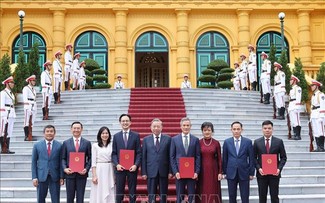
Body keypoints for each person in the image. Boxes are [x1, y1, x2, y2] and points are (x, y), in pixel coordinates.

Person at [254, 120, 287, 203]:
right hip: (262, 174)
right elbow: (253, 158)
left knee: (274, 196)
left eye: (269, 128)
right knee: (262, 197)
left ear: (272, 129)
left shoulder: (279, 141)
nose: (267, 130)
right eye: (265, 128)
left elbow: (283, 157)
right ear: (262, 129)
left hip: (274, 174)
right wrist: (258, 168)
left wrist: (279, 169)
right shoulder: (257, 142)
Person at [111, 114, 141, 203]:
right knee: (119, 191)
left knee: (132, 190)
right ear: (120, 122)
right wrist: (117, 164)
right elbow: (114, 153)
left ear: (130, 122)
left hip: (132, 168)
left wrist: (136, 165)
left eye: (127, 121)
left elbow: (139, 152)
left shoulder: (136, 135)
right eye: (123, 121)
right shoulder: (116, 136)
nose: (125, 123)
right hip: (120, 168)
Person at [170, 117, 200, 203]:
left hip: (192, 173)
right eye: (184, 125)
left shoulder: (195, 140)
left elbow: (198, 156)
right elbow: (172, 157)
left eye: (188, 125)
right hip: (179, 173)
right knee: (179, 196)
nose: (186, 127)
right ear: (181, 126)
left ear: (190, 126)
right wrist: (176, 172)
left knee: (191, 196)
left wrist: (196, 172)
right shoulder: (174, 139)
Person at [222, 121, 254, 203]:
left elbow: (251, 158)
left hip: (244, 172)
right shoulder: (227, 142)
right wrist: (224, 172)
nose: (236, 131)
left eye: (238, 129)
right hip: (231, 172)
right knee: (232, 196)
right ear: (231, 130)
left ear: (242, 130)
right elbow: (225, 158)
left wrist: (251, 173)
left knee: (245, 196)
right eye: (234, 129)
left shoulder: (248, 142)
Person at [141, 118, 172, 203]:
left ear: (161, 127)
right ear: (151, 127)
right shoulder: (146, 140)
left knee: (163, 194)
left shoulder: (168, 139)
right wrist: (144, 172)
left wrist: (170, 171)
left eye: (158, 126)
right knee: (151, 195)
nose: (156, 128)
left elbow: (170, 156)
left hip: (164, 171)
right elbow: (143, 157)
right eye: (154, 126)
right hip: (151, 170)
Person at [31, 125, 64, 203]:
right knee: (40, 199)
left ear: (54, 133)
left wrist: (62, 177)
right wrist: (34, 177)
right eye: (47, 131)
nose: (49, 133)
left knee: (56, 199)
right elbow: (34, 162)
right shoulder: (37, 145)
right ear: (44, 133)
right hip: (41, 176)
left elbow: (61, 162)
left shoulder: (60, 145)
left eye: (51, 131)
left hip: (55, 176)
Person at [61, 121, 92, 203]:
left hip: (82, 174)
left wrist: (86, 169)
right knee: (69, 198)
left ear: (82, 129)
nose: (76, 130)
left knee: (80, 198)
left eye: (78, 128)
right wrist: (65, 169)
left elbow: (90, 158)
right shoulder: (66, 143)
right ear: (71, 129)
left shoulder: (87, 143)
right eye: (74, 128)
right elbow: (63, 158)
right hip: (70, 174)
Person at [89, 126, 115, 203]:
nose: (105, 135)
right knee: (99, 189)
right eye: (103, 133)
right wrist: (94, 175)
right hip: (99, 169)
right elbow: (93, 162)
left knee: (109, 189)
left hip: (110, 168)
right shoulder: (95, 146)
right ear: (100, 135)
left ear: (109, 135)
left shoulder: (112, 145)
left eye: (106, 133)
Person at [198, 122, 222, 203]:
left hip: (213, 171)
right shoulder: (199, 142)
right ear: (202, 131)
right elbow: (196, 158)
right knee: (203, 189)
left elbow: (219, 158)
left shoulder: (216, 143)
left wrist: (220, 172)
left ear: (212, 131)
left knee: (213, 189)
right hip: (202, 170)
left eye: (209, 130)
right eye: (205, 130)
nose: (207, 132)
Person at [0, 76, 16, 154]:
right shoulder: (3, 93)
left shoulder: (11, 94)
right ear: (7, 83)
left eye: (13, 83)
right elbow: (1, 105)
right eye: (11, 82)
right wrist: (3, 116)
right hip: (5, 113)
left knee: (9, 131)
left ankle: (7, 148)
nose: (13, 84)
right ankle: (3, 148)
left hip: (11, 113)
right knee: (3, 131)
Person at [310, 80, 325, 152]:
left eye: (313, 85)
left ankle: (322, 147)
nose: (311, 87)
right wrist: (311, 117)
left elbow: (323, 106)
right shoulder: (313, 96)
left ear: (317, 86)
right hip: (314, 114)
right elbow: (312, 107)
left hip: (319, 115)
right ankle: (318, 147)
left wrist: (322, 116)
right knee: (315, 131)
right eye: (311, 86)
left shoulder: (321, 95)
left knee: (320, 131)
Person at [22, 75, 37, 141]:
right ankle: (26, 135)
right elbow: (25, 98)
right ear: (29, 81)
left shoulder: (34, 89)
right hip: (28, 104)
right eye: (33, 80)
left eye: (34, 80)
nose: (34, 82)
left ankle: (30, 134)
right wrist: (28, 106)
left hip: (34, 104)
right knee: (27, 120)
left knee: (32, 121)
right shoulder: (26, 88)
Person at [288, 75, 302, 140]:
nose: (290, 81)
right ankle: (295, 134)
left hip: (295, 106)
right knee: (293, 121)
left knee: (297, 121)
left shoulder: (298, 88)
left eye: (291, 80)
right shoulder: (292, 89)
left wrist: (297, 107)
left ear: (294, 81)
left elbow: (298, 98)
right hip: (291, 105)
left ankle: (298, 135)